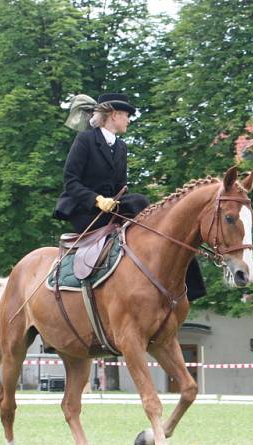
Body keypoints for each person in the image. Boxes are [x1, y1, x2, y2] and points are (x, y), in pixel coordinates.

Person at [55, 93, 206, 300]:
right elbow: (71, 181)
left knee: (141, 203)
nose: (129, 120)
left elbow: (120, 186)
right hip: (85, 209)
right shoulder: (86, 140)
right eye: (127, 115)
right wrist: (97, 199)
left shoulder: (120, 147)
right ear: (114, 115)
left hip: (111, 206)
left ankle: (191, 287)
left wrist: (115, 201)